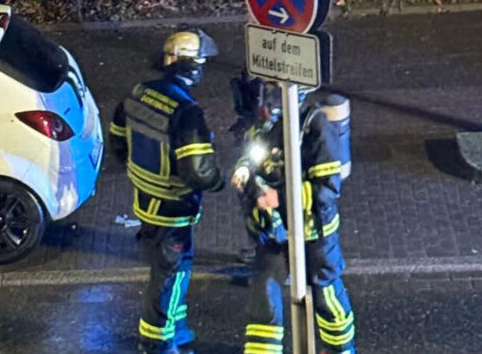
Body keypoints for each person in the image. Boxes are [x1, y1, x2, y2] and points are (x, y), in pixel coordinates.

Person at [111, 28, 224, 354]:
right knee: (170, 275)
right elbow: (199, 171)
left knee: (164, 270)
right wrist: (220, 181)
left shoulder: (137, 93)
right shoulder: (187, 112)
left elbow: (118, 141)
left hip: (145, 203)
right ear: (192, 66)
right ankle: (157, 342)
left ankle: (174, 327)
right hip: (174, 210)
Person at [232, 79, 356, 354]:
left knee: (325, 293)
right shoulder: (263, 126)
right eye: (267, 87)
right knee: (264, 294)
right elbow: (251, 154)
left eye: (274, 87)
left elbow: (327, 189)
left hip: (314, 232)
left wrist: (281, 197)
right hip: (273, 230)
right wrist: (242, 170)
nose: (268, 94)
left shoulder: (315, 126)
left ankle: (340, 349)